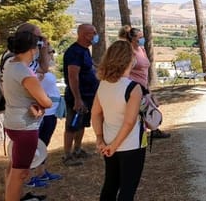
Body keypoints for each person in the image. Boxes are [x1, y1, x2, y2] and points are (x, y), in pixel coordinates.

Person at [91, 40, 148, 201]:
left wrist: (100, 139)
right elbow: (129, 122)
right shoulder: (133, 88)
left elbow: (95, 113)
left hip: (108, 141)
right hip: (130, 144)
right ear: (129, 60)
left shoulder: (103, 84)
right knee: (127, 189)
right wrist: (114, 146)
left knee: (110, 184)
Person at [2, 31, 52, 201]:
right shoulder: (24, 72)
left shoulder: (10, 63)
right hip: (25, 127)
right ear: (33, 49)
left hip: (12, 123)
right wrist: (43, 104)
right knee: (21, 173)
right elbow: (46, 102)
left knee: (14, 168)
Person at [119, 26, 170, 139]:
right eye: (140, 37)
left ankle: (153, 129)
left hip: (143, 84)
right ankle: (142, 133)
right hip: (135, 86)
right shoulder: (129, 53)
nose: (143, 39)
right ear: (132, 39)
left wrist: (148, 87)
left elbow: (145, 68)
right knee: (141, 110)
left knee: (149, 108)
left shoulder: (141, 50)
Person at [63, 23, 101, 166]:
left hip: (89, 95)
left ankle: (77, 150)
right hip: (78, 95)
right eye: (94, 32)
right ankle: (67, 155)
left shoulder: (85, 50)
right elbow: (73, 77)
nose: (96, 35)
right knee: (72, 125)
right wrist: (77, 99)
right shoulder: (74, 52)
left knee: (82, 124)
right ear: (85, 35)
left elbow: (89, 66)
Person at [28, 45, 63, 188]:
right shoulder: (33, 69)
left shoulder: (44, 69)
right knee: (34, 146)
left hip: (50, 112)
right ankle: (30, 176)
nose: (52, 54)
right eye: (49, 52)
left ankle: (41, 172)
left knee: (43, 144)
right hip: (40, 113)